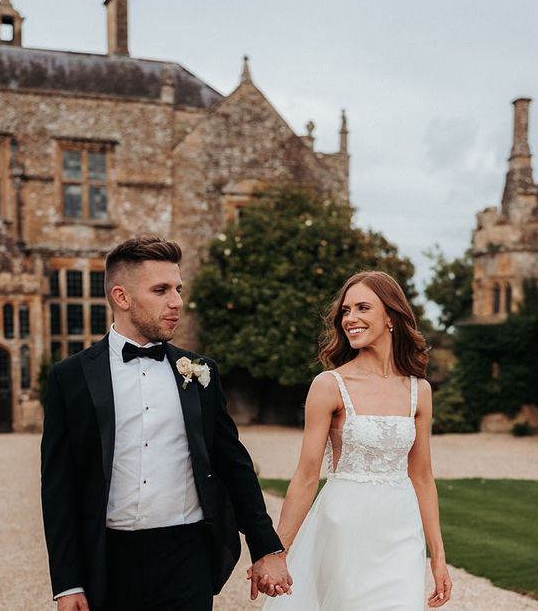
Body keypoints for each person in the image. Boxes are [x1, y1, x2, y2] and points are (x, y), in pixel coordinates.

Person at [41, 237, 292, 610]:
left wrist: (266, 546)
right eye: (161, 290)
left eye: (178, 289)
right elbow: (59, 486)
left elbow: (232, 463)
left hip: (187, 556)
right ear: (122, 298)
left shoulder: (200, 372)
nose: (176, 302)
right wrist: (67, 583)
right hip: (108, 559)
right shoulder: (70, 377)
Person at [257, 270, 452, 610]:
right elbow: (305, 477)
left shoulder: (419, 391)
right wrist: (277, 551)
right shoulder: (329, 385)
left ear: (390, 316)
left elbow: (421, 476)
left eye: (363, 308)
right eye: (346, 311)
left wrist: (438, 556)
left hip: (401, 531)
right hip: (344, 527)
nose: (351, 319)